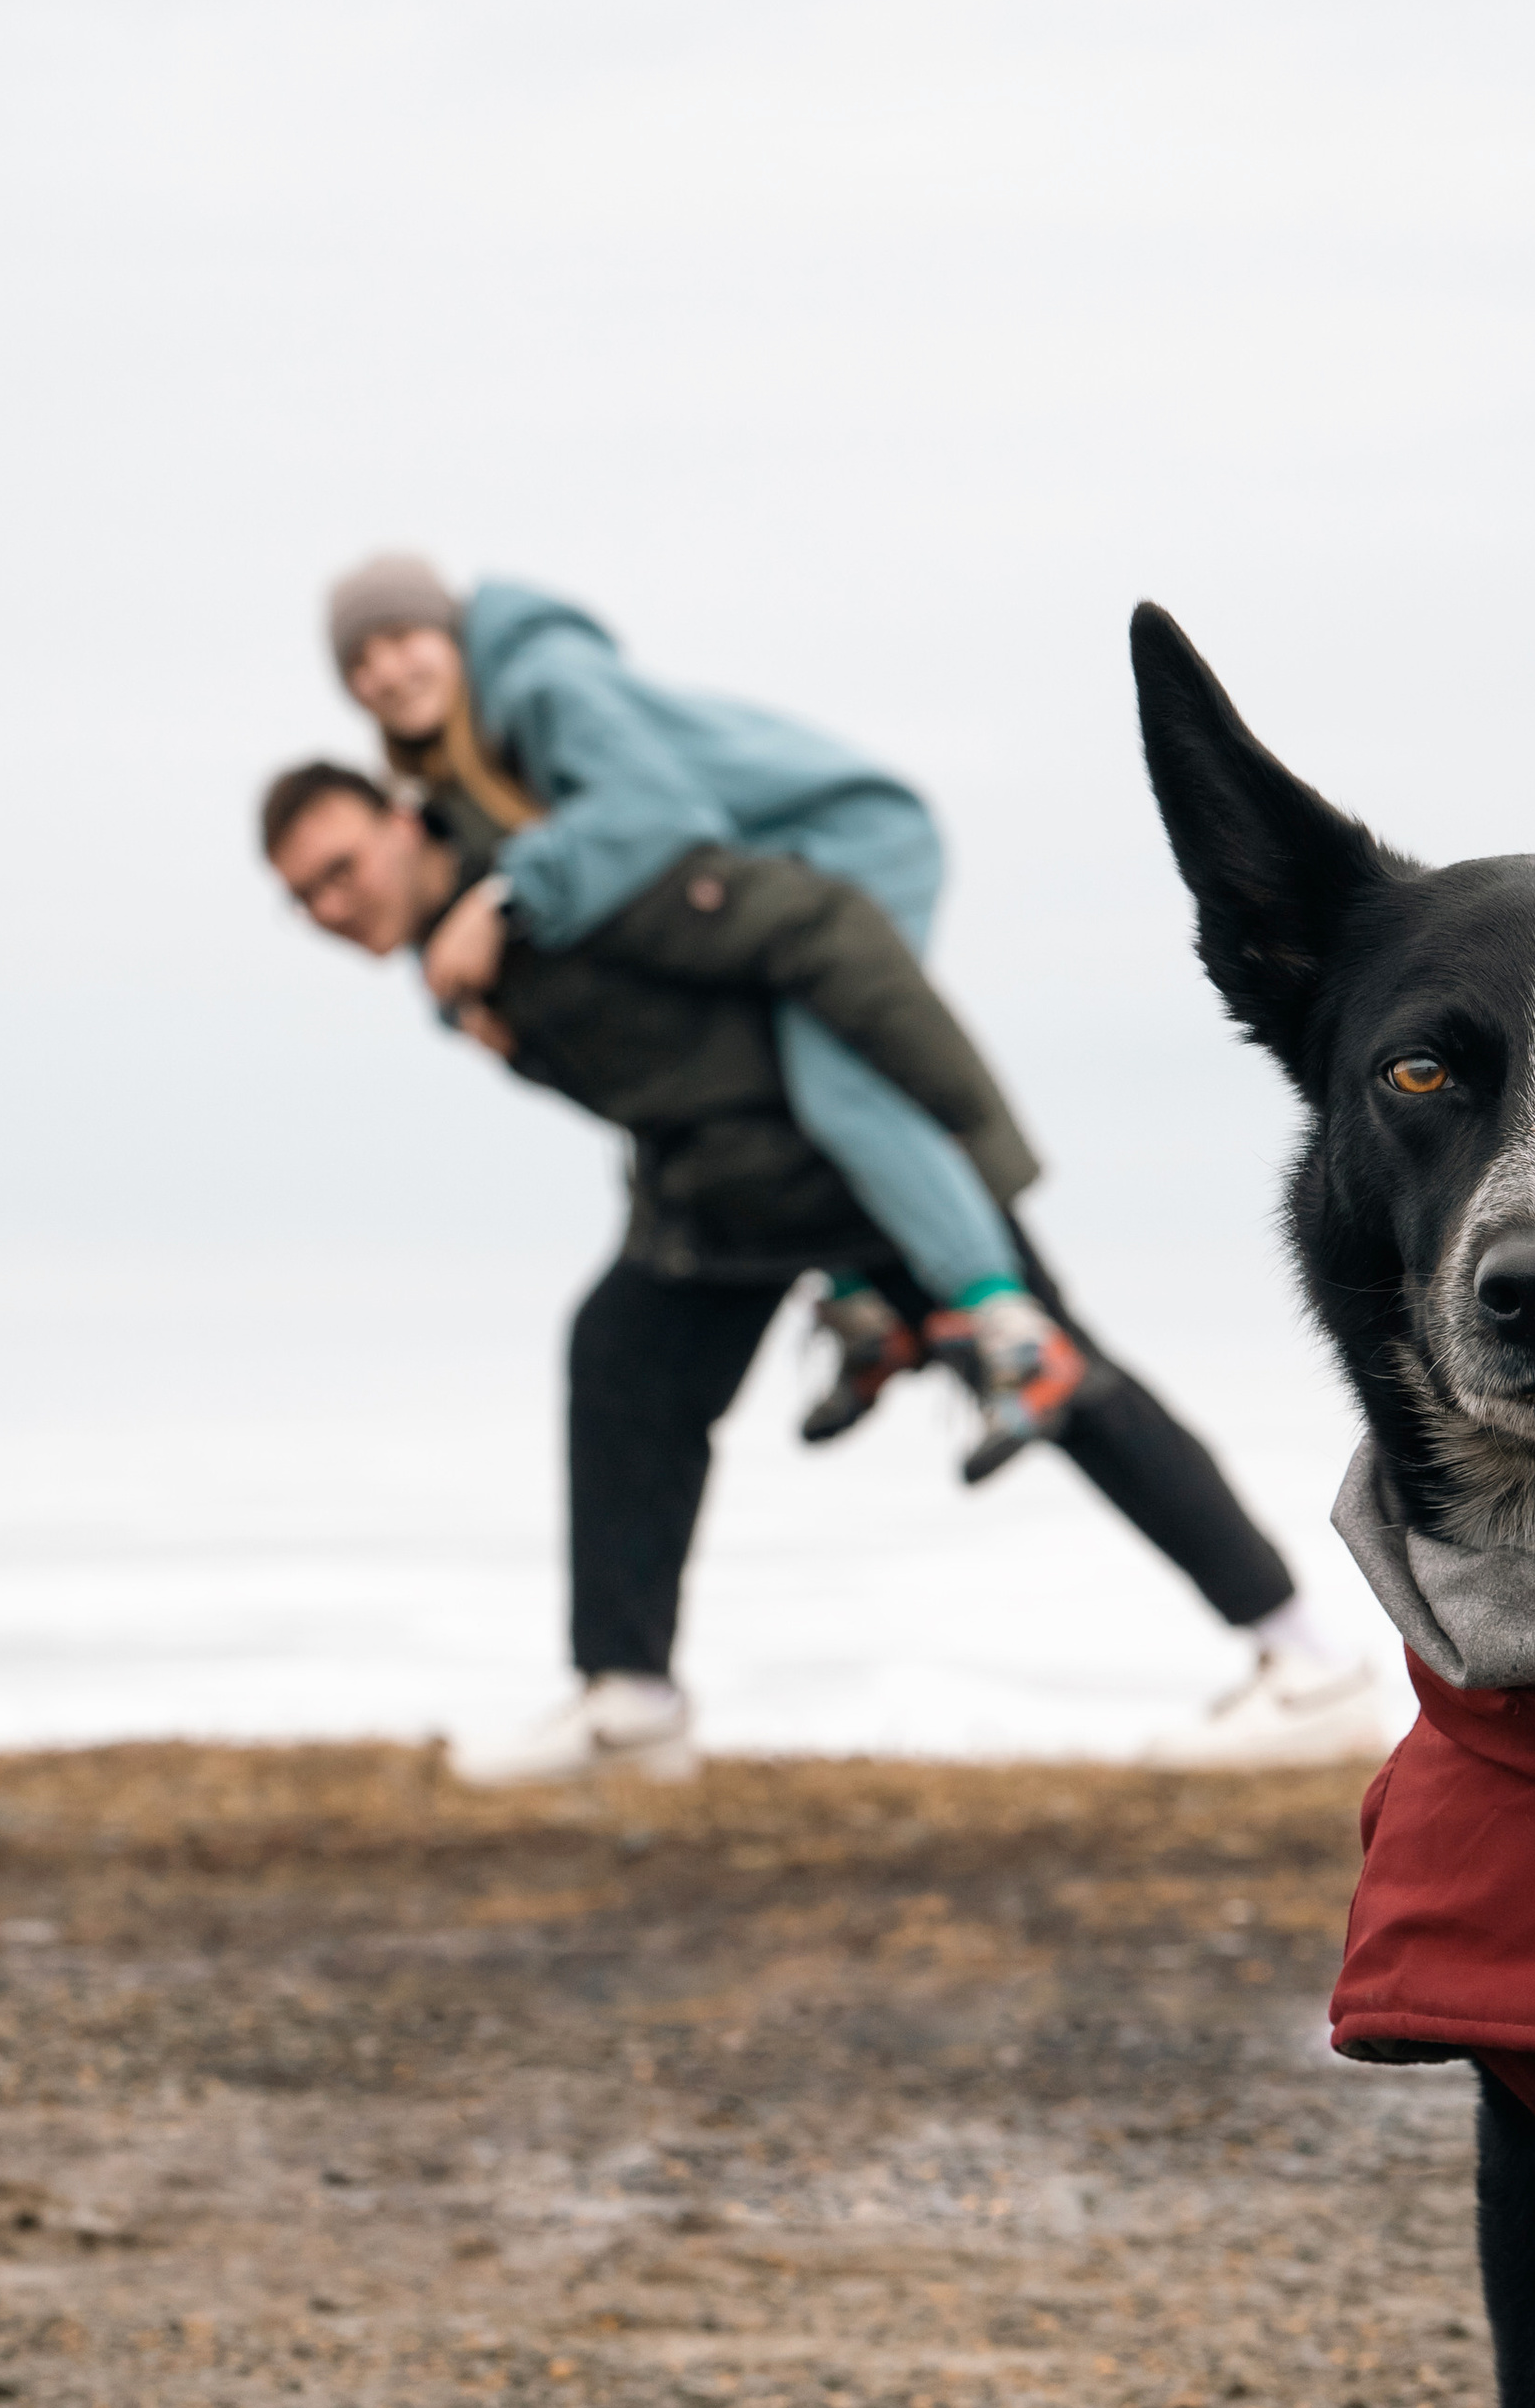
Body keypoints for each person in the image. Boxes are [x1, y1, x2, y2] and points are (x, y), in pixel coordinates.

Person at [260, 754, 1380, 1783]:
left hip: (861, 1173)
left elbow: (794, 937)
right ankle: (629, 1699)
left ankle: (1308, 1663)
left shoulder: (562, 887)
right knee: (618, 1362)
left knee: (1061, 1379)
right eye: (305, 894)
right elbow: (661, 1080)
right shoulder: (469, 961)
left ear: (406, 823)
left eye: (341, 868)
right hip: (725, 1202)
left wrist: (935, 1122)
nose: (331, 905)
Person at [325, 551, 1090, 1480]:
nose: (385, 673)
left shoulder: (542, 682)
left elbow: (653, 816)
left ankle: (1015, 1334)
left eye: (400, 640)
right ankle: (869, 1306)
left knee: (841, 1088)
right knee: (773, 1086)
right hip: (770, 881)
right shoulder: (470, 752)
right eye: (359, 665)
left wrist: (502, 905)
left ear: (447, 631)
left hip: (851, 840)